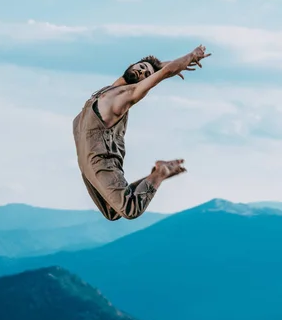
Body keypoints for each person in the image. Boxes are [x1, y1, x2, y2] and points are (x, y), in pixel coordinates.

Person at [72, 44, 212, 221]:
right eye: (141, 67)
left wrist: (190, 56)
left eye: (146, 74)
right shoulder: (109, 90)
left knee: (130, 209)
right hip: (85, 162)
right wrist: (157, 65)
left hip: (101, 162)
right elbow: (161, 68)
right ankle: (158, 173)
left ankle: (161, 172)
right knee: (112, 212)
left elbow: (164, 72)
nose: (141, 72)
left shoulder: (127, 95)